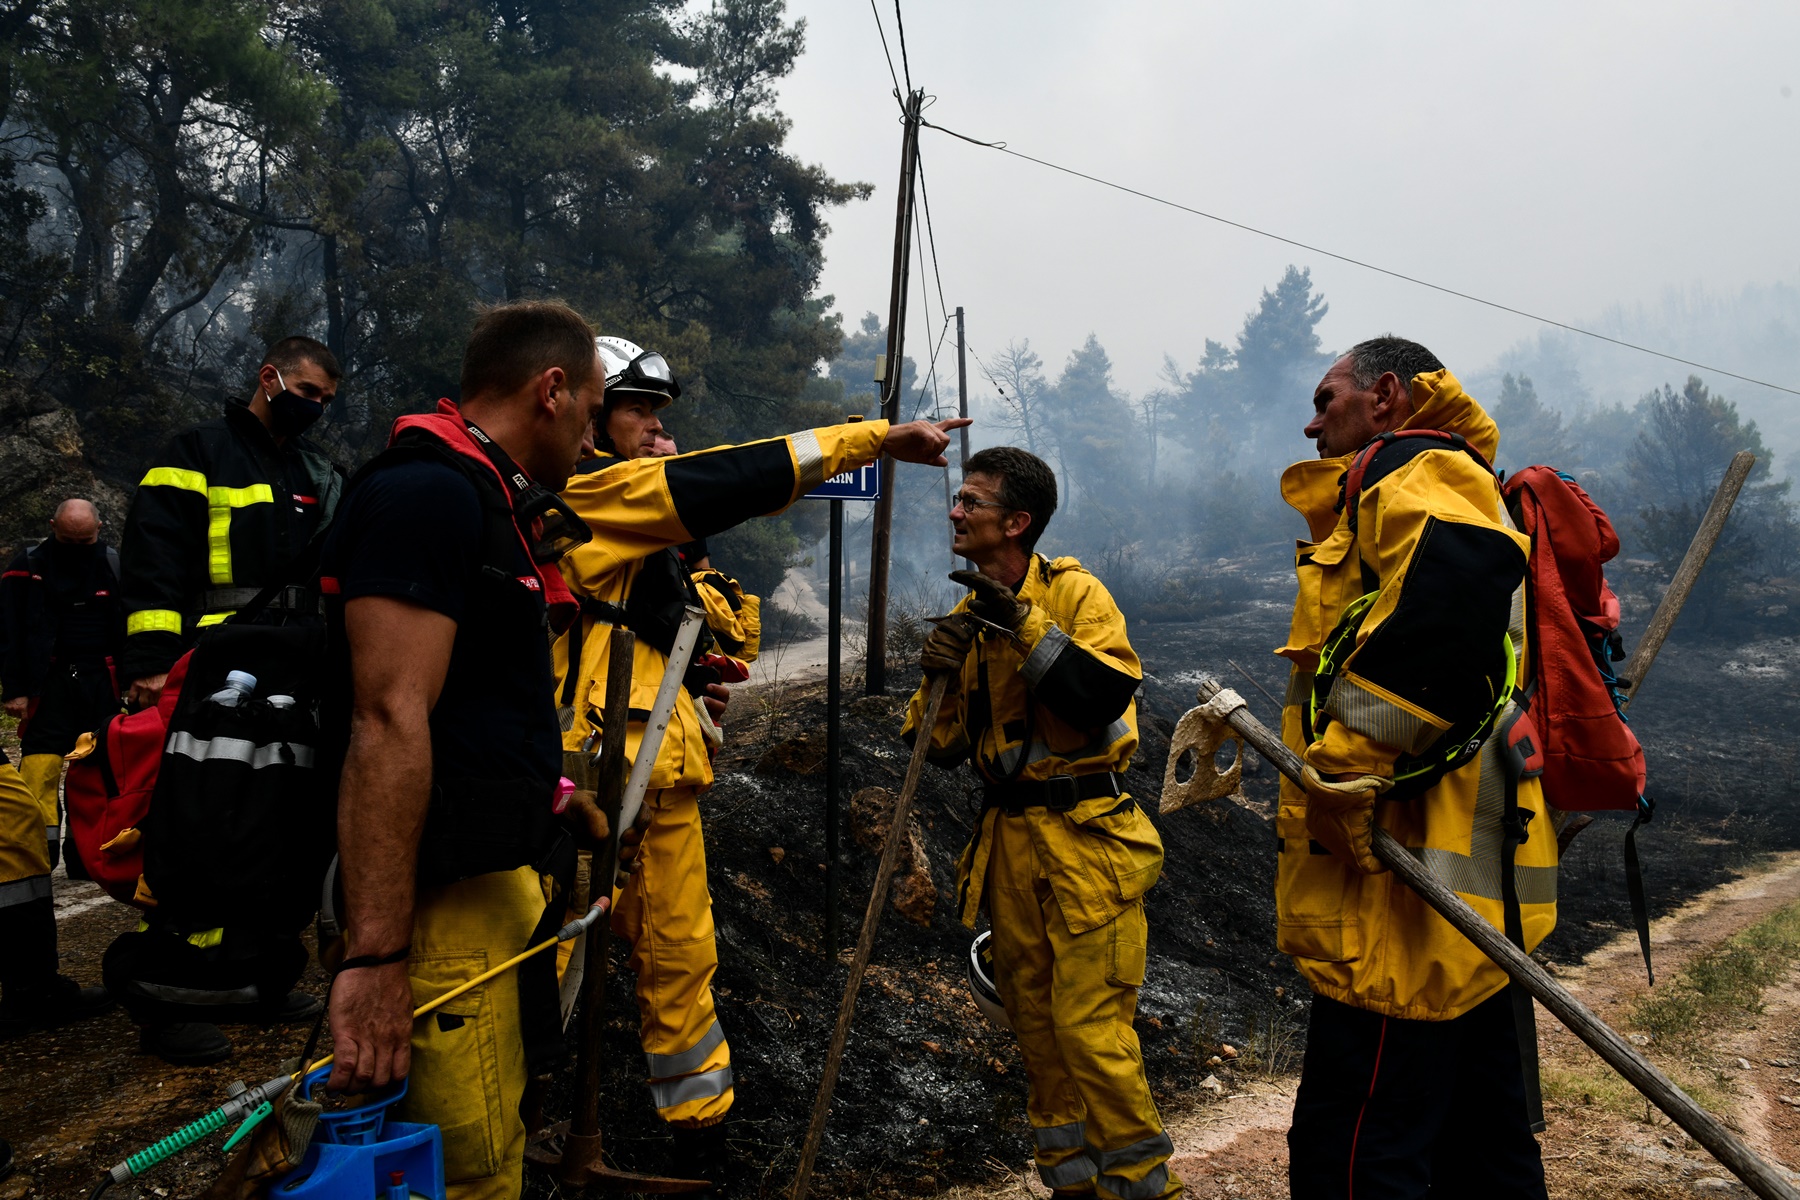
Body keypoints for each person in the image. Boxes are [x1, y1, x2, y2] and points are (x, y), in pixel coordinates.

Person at [552, 336, 964, 1183]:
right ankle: (513, 1138)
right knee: (549, 968)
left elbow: (719, 620)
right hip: (583, 786)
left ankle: (700, 1156)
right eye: (639, 411)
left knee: (681, 968)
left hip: (658, 783)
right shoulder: (583, 495)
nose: (654, 432)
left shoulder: (639, 531)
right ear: (590, 413)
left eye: (660, 418)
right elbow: (736, 476)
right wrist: (875, 437)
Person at [324, 299, 611, 1200]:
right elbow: (385, 720)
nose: (594, 438)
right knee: (467, 1171)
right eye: (595, 413)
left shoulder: (495, 508)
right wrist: (376, 960)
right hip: (437, 920)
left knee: (493, 1145)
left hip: (490, 901)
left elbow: (470, 716)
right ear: (552, 391)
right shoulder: (429, 493)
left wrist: (550, 797)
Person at [1278, 337, 1556, 1198]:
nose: (1312, 420)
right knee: (1484, 1155)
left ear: (1386, 396)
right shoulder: (1435, 478)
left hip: (1400, 907)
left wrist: (1347, 766)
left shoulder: (1412, 468)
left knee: (1355, 1158)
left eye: (1328, 400)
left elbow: (1456, 587)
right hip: (1460, 912)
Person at [902, 446, 1181, 1200]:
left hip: (1088, 841)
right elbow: (941, 747)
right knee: (1037, 1034)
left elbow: (1098, 697)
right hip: (1010, 847)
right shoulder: (966, 607)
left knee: (1092, 1031)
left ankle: (1146, 1189)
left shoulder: (1077, 595)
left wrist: (1024, 627)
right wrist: (939, 672)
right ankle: (1072, 1185)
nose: (955, 512)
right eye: (957, 501)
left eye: (972, 502)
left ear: (1016, 521)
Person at [107, 337, 343, 1064]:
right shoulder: (194, 453)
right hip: (209, 677)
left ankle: (260, 980)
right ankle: (165, 998)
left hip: (297, 673)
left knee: (282, 832)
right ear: (268, 378)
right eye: (305, 392)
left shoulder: (317, 472)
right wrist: (150, 663)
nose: (314, 409)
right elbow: (153, 564)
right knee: (201, 833)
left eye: (327, 402)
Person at [0, 499, 121, 1035]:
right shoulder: (24, 567)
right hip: (49, 689)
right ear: (51, 529)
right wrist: (17, 692)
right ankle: (41, 854)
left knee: (105, 772)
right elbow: (9, 628)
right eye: (69, 542)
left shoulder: (113, 563)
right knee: (38, 779)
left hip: (103, 682)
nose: (79, 550)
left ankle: (93, 854)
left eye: (86, 541)